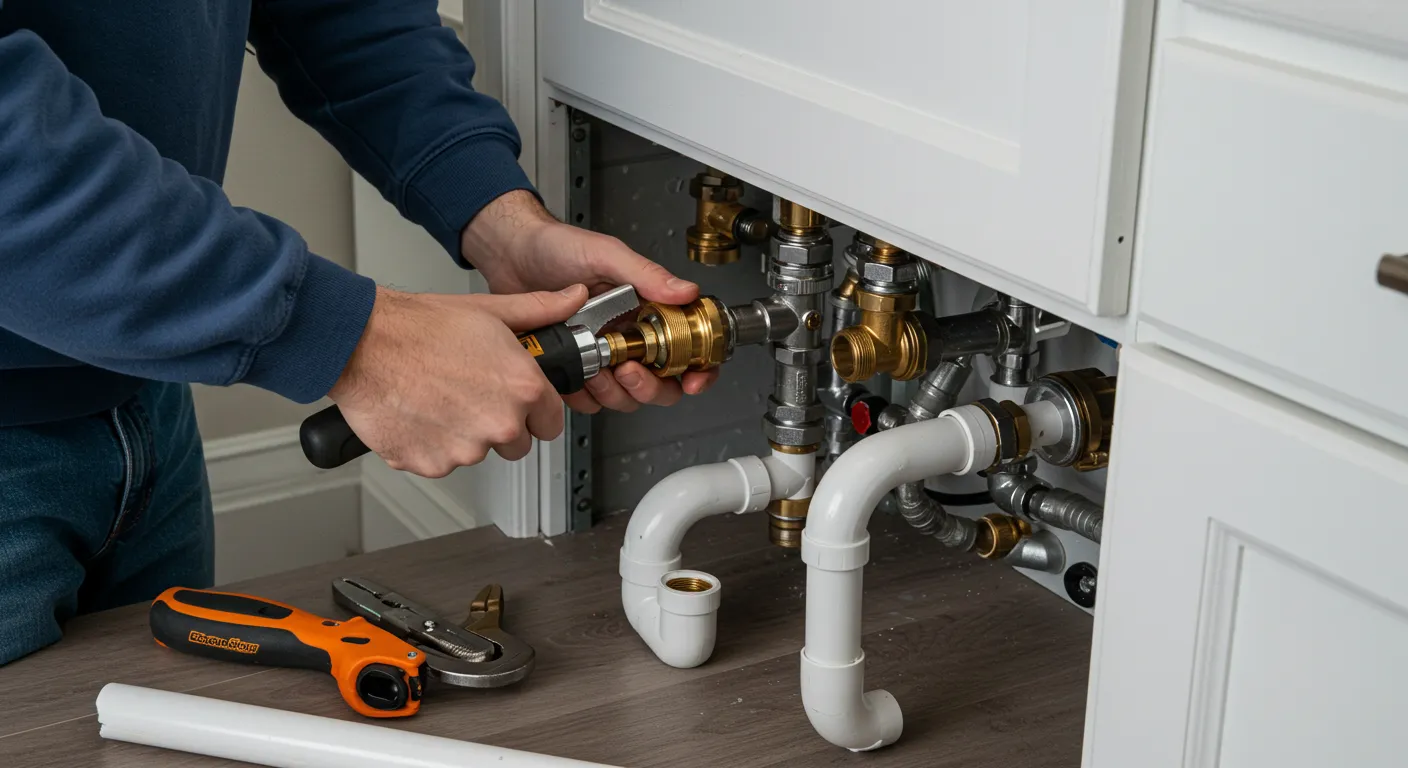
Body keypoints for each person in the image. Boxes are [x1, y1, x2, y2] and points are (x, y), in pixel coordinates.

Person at [0, 1, 716, 665]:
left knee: (163, 715)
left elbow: (342, 10)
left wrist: (502, 224)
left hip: (149, 391)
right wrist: (360, 341)